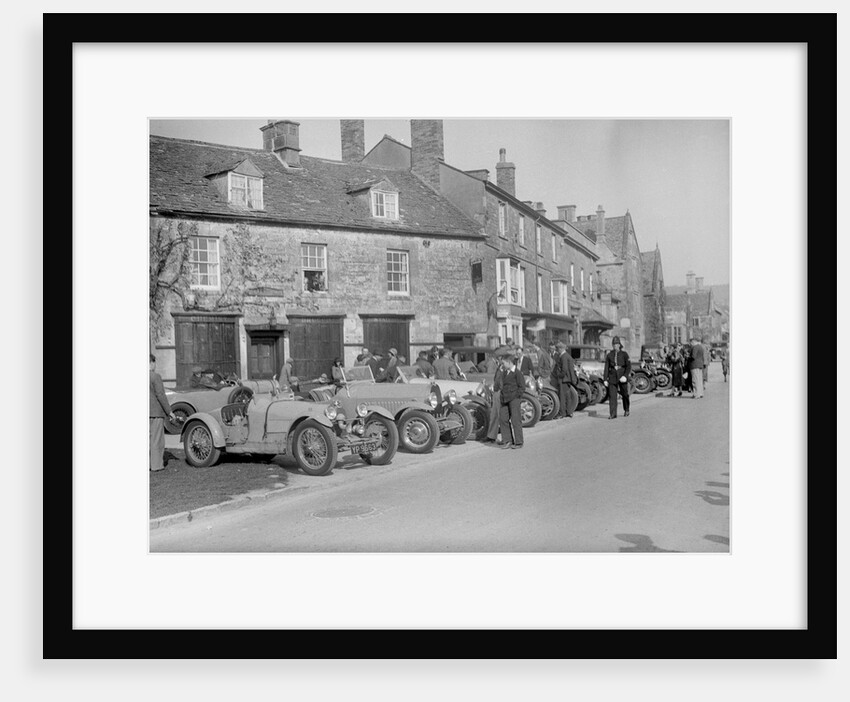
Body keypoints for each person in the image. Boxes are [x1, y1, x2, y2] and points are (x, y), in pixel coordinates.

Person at [150, 353, 175, 472]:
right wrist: (169, 411)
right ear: (151, 363)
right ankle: (156, 465)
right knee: (156, 439)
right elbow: (160, 395)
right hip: (154, 412)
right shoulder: (155, 377)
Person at [497, 352, 525, 449]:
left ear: (509, 362)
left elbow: (522, 387)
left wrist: (516, 397)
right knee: (503, 419)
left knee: (515, 420)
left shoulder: (517, 373)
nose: (502, 365)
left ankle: (519, 442)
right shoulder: (504, 372)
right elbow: (499, 384)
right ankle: (508, 440)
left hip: (514, 399)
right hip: (504, 399)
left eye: (503, 363)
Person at [603, 336, 632, 419]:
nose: (615, 346)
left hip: (622, 375)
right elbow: (606, 368)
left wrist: (625, 376)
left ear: (619, 345)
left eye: (617, 344)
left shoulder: (624, 354)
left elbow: (628, 366)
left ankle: (626, 409)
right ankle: (613, 414)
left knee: (625, 394)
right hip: (612, 376)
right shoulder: (609, 355)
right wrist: (605, 379)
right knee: (612, 396)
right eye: (614, 344)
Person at [552, 341, 578, 418]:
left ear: (561, 348)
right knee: (568, 396)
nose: (557, 350)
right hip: (568, 379)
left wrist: (559, 376)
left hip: (563, 379)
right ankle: (569, 412)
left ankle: (562, 413)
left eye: (557, 349)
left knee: (562, 397)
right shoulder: (567, 356)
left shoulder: (563, 357)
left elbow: (564, 369)